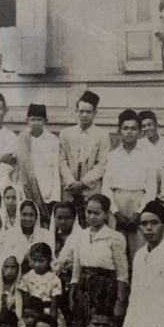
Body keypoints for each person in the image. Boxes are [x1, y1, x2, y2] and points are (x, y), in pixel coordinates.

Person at [70, 194, 129, 327]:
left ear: (106, 214)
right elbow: (77, 268)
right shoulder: (80, 236)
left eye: (97, 213)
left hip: (106, 290)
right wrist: (73, 293)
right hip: (84, 290)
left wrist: (119, 302)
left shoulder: (115, 237)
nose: (92, 216)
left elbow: (122, 273)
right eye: (89, 212)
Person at [102, 109, 155, 259]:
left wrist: (139, 213)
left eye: (133, 128)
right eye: (125, 128)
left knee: (139, 249)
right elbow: (106, 188)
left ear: (139, 131)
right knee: (116, 250)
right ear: (119, 131)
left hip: (139, 203)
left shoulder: (146, 156)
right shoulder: (112, 156)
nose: (129, 132)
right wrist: (116, 213)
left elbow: (151, 189)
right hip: (117, 204)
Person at [58, 90, 110, 227]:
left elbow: (102, 164)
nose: (84, 115)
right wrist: (71, 182)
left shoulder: (102, 135)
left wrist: (83, 183)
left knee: (91, 224)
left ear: (95, 113)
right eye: (81, 111)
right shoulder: (66, 133)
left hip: (90, 188)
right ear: (76, 111)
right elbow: (61, 160)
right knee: (68, 224)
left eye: (88, 112)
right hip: (70, 189)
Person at [16, 104, 61, 226]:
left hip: (47, 193)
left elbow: (56, 170)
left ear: (45, 121)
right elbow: (19, 168)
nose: (35, 123)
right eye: (32, 119)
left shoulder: (53, 140)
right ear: (27, 120)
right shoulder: (21, 138)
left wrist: (55, 196)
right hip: (27, 190)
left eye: (39, 119)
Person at [19, 243, 67, 327]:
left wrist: (51, 323)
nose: (37, 264)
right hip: (33, 314)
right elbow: (26, 302)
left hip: (49, 313)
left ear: (49, 261)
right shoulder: (26, 277)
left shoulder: (54, 279)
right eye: (34, 260)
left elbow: (54, 304)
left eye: (41, 261)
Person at [1, 199, 52, 266]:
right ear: (19, 216)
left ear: (36, 217)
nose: (27, 219)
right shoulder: (9, 234)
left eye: (31, 215)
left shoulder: (45, 235)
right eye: (24, 215)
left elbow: (48, 258)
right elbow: (7, 258)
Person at [0, 254, 21, 322]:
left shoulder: (22, 283)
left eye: (13, 267)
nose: (9, 271)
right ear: (1, 267)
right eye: (6, 267)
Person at [137, 110, 164, 175]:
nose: (147, 128)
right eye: (144, 126)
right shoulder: (138, 145)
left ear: (156, 125)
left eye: (150, 125)